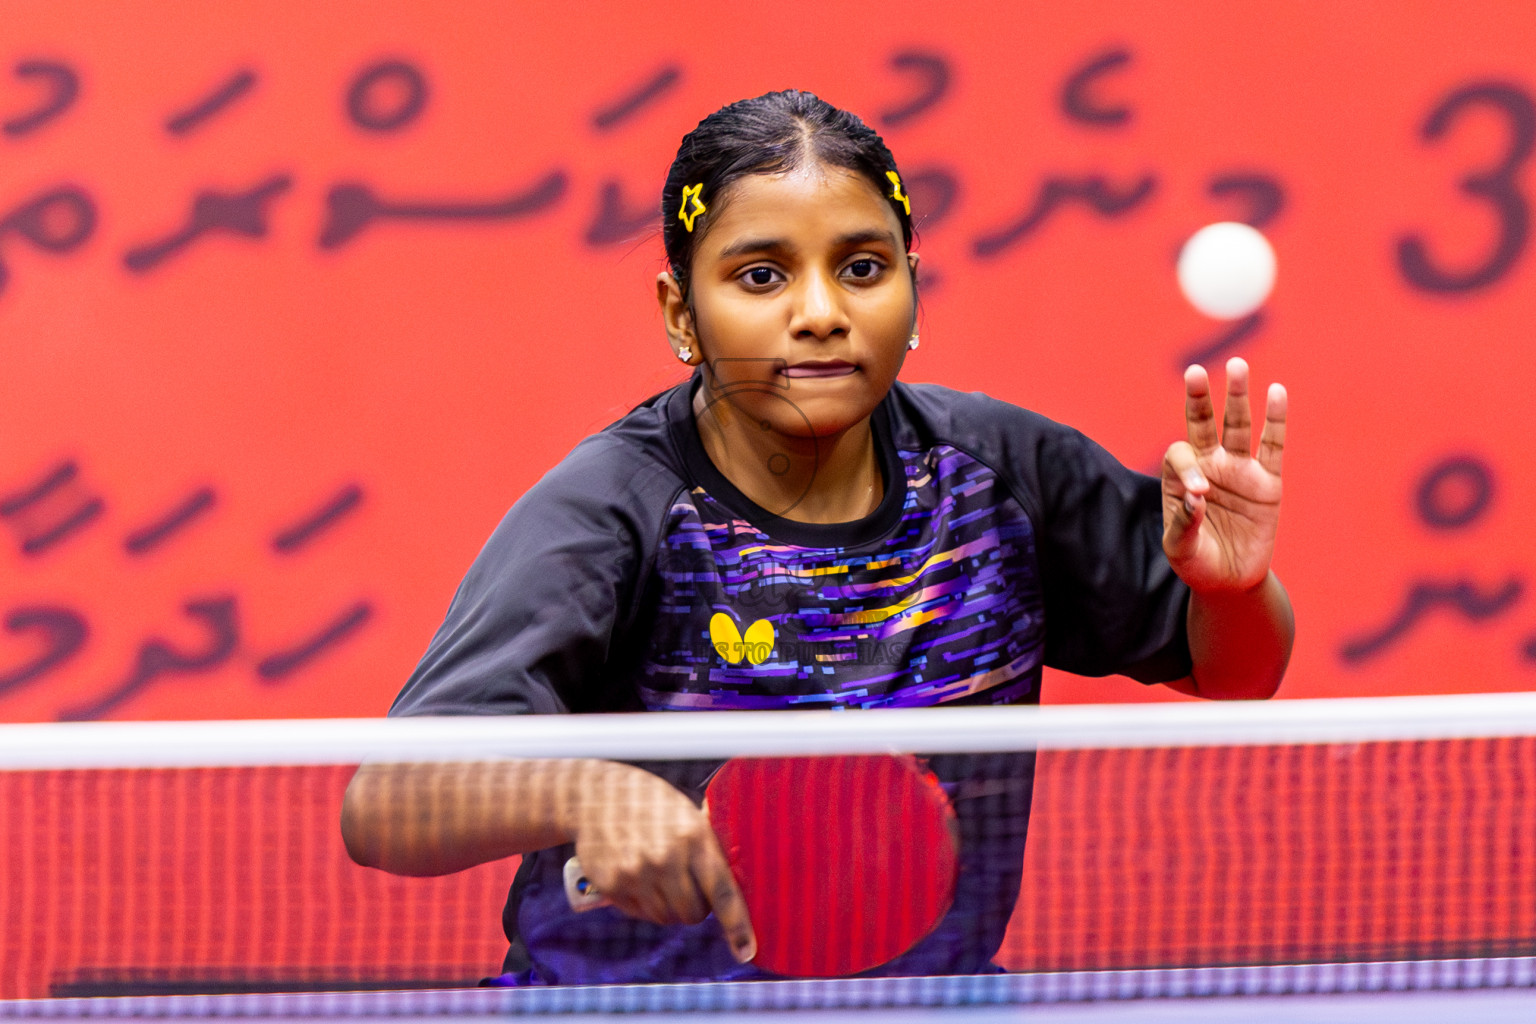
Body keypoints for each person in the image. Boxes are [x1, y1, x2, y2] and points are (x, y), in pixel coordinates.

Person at [340, 89, 1294, 985]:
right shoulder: (614, 511)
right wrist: (584, 794)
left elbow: (1234, 673)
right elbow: (386, 803)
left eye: (862, 268)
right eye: (761, 276)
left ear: (913, 287)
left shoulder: (1002, 473)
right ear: (681, 313)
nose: (822, 314)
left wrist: (1233, 591)